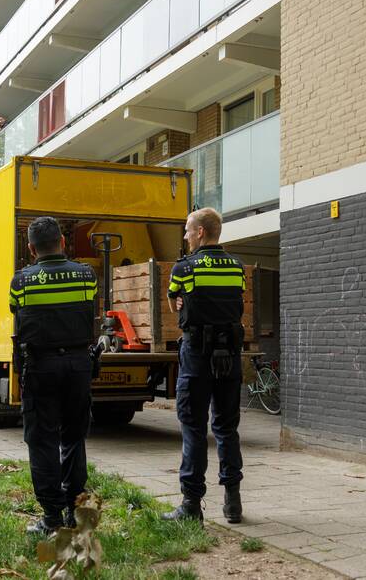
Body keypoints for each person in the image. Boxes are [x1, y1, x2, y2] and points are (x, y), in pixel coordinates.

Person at [9, 217, 97, 535]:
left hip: (40, 368)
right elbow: (90, 310)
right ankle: (75, 508)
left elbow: (17, 314)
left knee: (42, 440)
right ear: (62, 241)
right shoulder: (87, 275)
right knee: (74, 435)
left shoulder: (21, 281)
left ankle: (51, 516)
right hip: (78, 365)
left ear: (31, 248)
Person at [163, 207, 246, 524]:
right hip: (229, 356)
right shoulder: (236, 266)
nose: (185, 236)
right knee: (226, 428)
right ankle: (233, 503)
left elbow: (174, 304)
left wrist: (183, 301)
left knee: (194, 428)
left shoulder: (184, 268)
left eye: (187, 230)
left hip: (197, 355)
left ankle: (191, 505)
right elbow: (234, 300)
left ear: (200, 232)